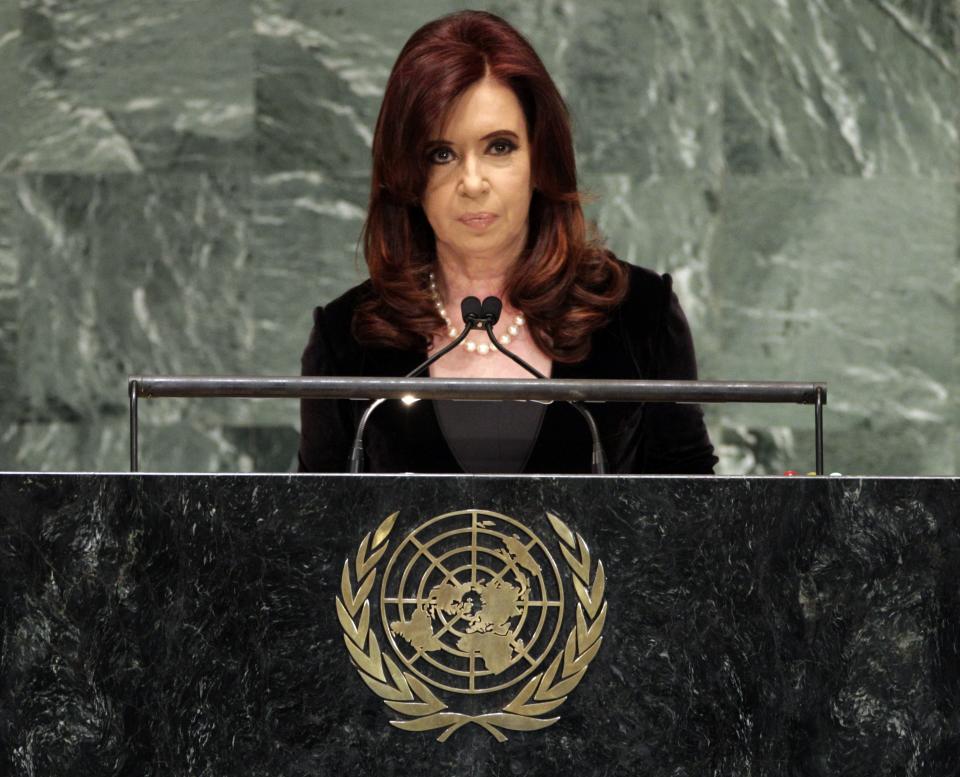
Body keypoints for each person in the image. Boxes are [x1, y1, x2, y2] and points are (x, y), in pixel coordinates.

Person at [298, 10, 717, 475]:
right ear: (406, 175)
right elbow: (317, 531)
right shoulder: (346, 339)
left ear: (540, 159)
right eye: (442, 154)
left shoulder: (641, 313)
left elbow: (692, 519)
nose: (472, 182)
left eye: (499, 147)